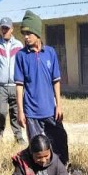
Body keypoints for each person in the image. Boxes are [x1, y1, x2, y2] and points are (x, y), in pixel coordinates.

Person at [15, 10, 68, 164]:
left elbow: (56, 81)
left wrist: (59, 105)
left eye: (28, 33)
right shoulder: (21, 56)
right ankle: (36, 173)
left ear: (37, 33)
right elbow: (19, 86)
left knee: (60, 138)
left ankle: (63, 167)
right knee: (36, 145)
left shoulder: (50, 53)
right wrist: (20, 111)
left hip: (50, 109)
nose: (25, 37)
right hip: (31, 111)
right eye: (23, 33)